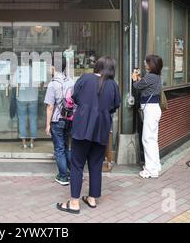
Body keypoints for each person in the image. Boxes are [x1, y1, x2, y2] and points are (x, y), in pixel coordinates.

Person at [57, 57, 120, 214]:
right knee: (96, 164)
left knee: (77, 164)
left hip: (83, 127)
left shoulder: (85, 78)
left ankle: (74, 203)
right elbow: (115, 106)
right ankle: (92, 199)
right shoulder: (113, 85)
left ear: (97, 66)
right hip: (102, 128)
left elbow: (74, 97)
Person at [132, 54, 164, 179]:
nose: (145, 64)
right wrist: (139, 78)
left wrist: (135, 78)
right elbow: (144, 84)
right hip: (155, 109)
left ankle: (150, 170)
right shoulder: (156, 77)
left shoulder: (150, 76)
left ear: (152, 65)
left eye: (147, 63)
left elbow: (137, 86)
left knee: (147, 139)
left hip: (150, 110)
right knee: (153, 139)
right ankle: (156, 165)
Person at [44, 57, 74, 186]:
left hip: (57, 119)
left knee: (59, 149)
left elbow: (50, 106)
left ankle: (63, 177)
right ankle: (74, 174)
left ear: (53, 67)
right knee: (67, 147)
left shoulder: (53, 84)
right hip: (69, 118)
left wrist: (47, 124)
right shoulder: (70, 81)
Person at [15, 62, 39, 149]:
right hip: (33, 98)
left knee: (22, 120)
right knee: (33, 119)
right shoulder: (35, 71)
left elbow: (14, 83)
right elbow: (40, 84)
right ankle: (32, 143)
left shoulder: (19, 70)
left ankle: (24, 143)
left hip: (21, 98)